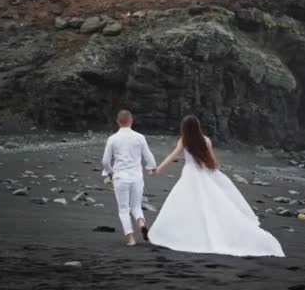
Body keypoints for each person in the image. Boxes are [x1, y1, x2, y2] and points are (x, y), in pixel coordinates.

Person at [148, 115, 285, 257]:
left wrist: (158, 169)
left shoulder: (184, 141)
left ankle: (186, 233)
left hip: (189, 174)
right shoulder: (205, 140)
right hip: (202, 173)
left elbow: (172, 156)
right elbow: (212, 160)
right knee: (210, 204)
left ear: (185, 128)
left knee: (184, 204)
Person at [102, 110, 157, 246]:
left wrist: (109, 173)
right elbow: (148, 156)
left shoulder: (112, 139)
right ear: (131, 121)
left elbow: (105, 161)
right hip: (136, 177)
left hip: (120, 177)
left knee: (124, 209)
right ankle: (141, 223)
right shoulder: (139, 137)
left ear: (118, 122)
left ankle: (131, 238)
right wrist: (151, 167)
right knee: (136, 206)